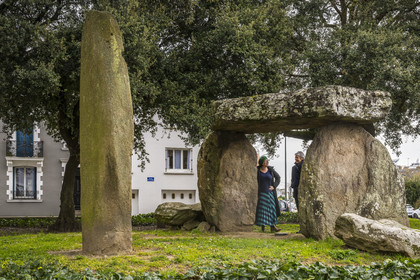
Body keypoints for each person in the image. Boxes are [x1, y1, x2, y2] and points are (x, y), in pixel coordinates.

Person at [255, 155, 281, 233]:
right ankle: (263, 227)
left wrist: (274, 186)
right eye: (266, 161)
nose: (268, 162)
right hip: (261, 193)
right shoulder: (257, 170)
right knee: (263, 210)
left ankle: (273, 226)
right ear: (262, 163)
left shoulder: (270, 170)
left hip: (270, 193)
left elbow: (278, 178)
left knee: (271, 209)